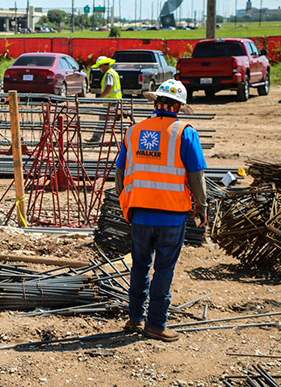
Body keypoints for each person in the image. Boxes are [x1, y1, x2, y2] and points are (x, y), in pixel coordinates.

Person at [115, 79, 208, 342]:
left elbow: (120, 174)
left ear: (155, 103)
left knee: (140, 267)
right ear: (178, 106)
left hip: (140, 214)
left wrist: (127, 199)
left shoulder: (134, 131)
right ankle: (156, 325)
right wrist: (202, 207)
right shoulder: (185, 132)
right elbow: (196, 175)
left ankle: (135, 319)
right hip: (171, 215)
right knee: (164, 270)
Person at [90, 56, 122, 143]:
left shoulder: (109, 74)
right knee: (103, 120)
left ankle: (129, 134)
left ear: (103, 66)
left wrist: (101, 98)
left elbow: (109, 87)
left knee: (116, 121)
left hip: (111, 102)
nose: (99, 69)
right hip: (112, 101)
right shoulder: (113, 73)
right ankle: (95, 138)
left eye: (100, 67)